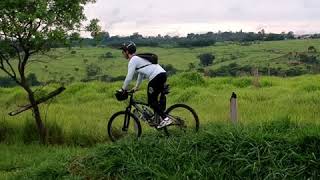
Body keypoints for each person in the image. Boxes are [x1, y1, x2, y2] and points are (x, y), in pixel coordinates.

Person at [117, 41, 172, 128]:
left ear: (127, 51)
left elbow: (129, 77)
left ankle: (166, 119)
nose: (122, 54)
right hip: (162, 74)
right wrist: (136, 87)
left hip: (156, 77)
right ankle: (159, 119)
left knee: (151, 101)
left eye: (123, 51)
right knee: (154, 100)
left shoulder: (133, 60)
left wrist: (123, 89)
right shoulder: (138, 59)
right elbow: (141, 74)